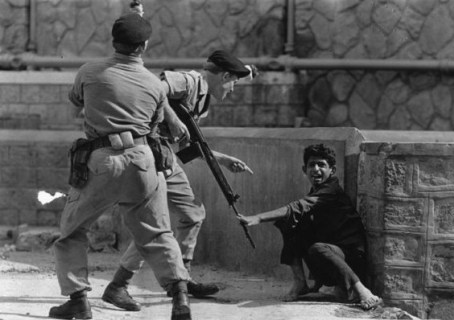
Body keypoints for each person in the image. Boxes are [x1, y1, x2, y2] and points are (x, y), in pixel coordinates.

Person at [49, 12, 193, 320]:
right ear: (143, 46)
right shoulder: (155, 84)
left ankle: (78, 300)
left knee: (72, 232)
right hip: (143, 161)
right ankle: (180, 299)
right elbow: (156, 124)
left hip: (101, 161)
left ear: (114, 41)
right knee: (157, 233)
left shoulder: (89, 71)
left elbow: (76, 100)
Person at [101, 49, 257, 311]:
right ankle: (118, 286)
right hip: (143, 154)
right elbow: (152, 89)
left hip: (165, 158)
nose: (232, 89)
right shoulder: (188, 82)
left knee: (193, 213)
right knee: (155, 225)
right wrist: (172, 119)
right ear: (226, 75)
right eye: (234, 83)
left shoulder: (203, 100)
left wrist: (222, 159)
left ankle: (183, 277)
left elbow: (186, 145)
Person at [237, 144, 383, 310]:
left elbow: (298, 206)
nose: (316, 169)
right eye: (311, 165)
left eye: (321, 165)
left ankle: (363, 292)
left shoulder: (331, 190)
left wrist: (258, 218)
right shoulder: (316, 191)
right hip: (334, 253)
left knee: (317, 247)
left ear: (332, 170)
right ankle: (301, 284)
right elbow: (299, 215)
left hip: (352, 258)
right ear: (304, 169)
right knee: (290, 223)